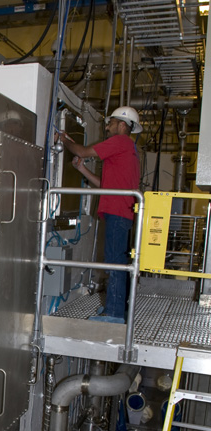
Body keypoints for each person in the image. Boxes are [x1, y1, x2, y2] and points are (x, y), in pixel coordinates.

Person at [58, 106, 141, 321]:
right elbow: (104, 185)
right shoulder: (127, 148)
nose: (107, 126)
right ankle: (116, 309)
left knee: (114, 262)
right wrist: (82, 170)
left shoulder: (121, 141)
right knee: (117, 261)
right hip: (121, 211)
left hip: (117, 211)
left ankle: (113, 314)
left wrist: (64, 139)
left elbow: (83, 151)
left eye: (111, 122)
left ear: (122, 125)